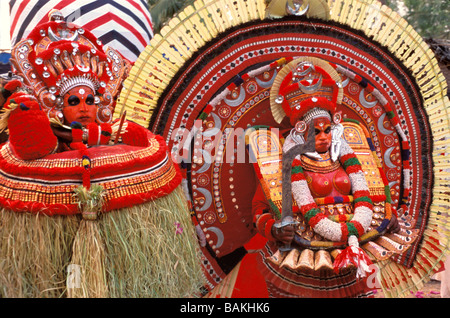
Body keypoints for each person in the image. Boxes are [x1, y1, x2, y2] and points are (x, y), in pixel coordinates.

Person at [251, 57, 401, 298]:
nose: (323, 137)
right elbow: (259, 209)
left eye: (328, 130)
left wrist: (388, 214)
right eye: (315, 131)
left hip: (354, 250)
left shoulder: (348, 156)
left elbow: (375, 194)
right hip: (302, 259)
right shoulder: (282, 161)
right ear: (301, 132)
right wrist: (274, 229)